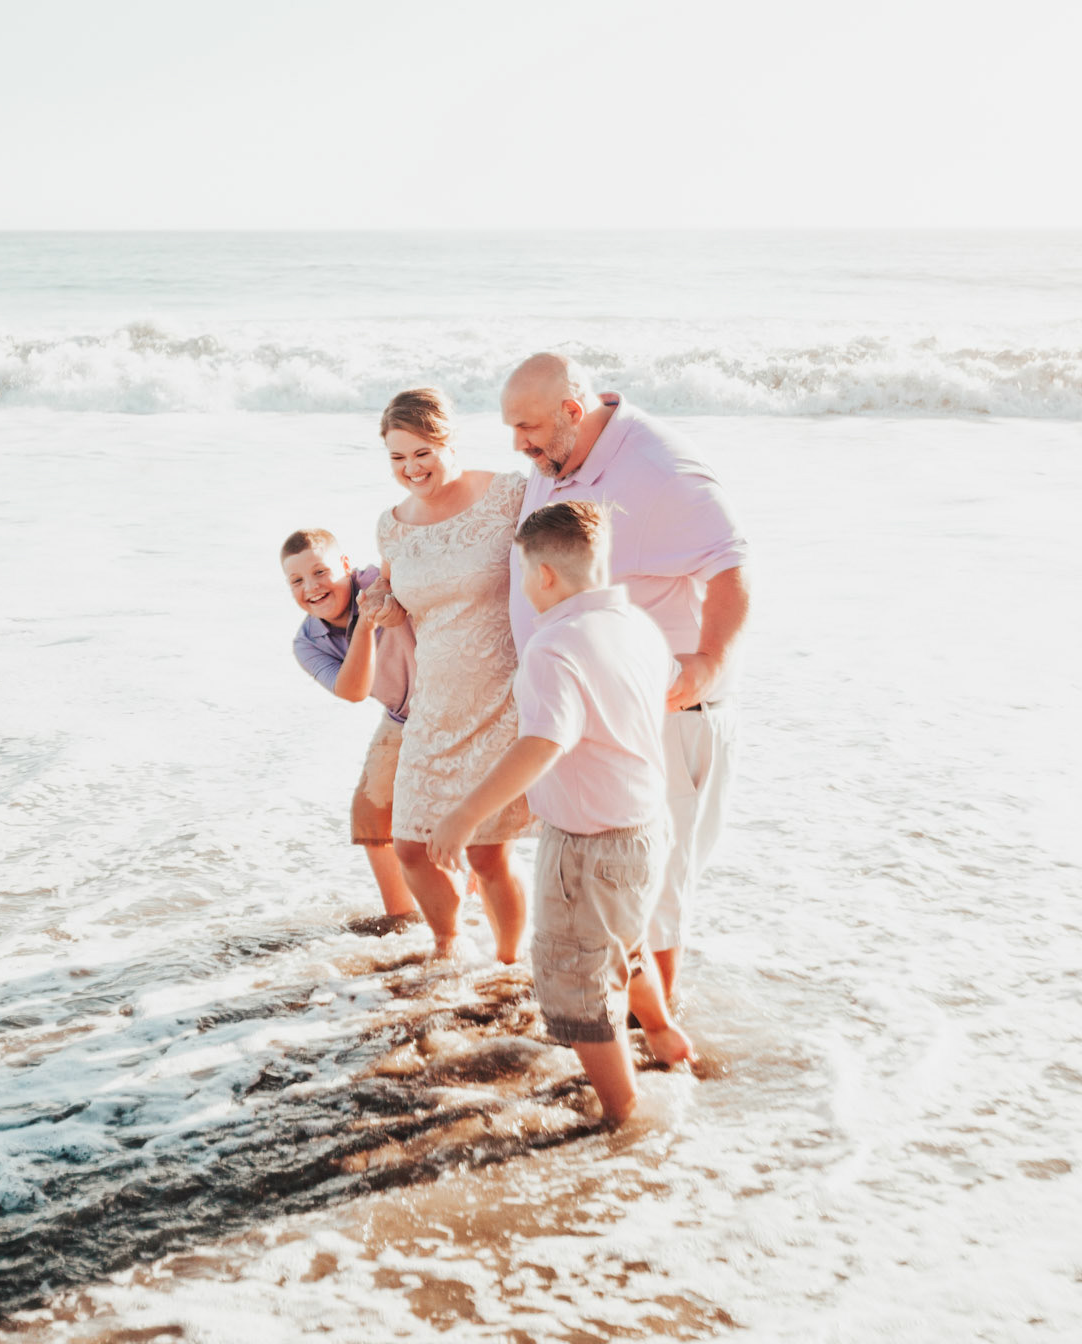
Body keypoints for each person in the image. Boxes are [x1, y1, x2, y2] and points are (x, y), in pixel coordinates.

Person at [427, 499, 692, 1123]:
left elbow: (545, 741)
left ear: (543, 574)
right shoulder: (638, 627)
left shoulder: (554, 646)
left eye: (524, 573)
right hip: (646, 828)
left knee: (578, 984)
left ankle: (624, 1118)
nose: (525, 585)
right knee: (622, 945)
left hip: (590, 845)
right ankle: (662, 1035)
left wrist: (464, 815)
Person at [500, 353, 751, 1003]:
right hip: (591, 718)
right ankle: (620, 1019)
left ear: (572, 412)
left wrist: (710, 662)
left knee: (656, 888)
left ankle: (654, 1034)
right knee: (603, 883)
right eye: (512, 428)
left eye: (527, 428)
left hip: (663, 714)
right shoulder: (557, 459)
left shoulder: (661, 471)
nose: (518, 444)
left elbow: (733, 566)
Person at [376, 387, 530, 961]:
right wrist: (383, 605)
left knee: (488, 852)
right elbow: (395, 596)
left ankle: (508, 962)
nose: (411, 468)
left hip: (501, 697)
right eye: (397, 457)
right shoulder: (392, 526)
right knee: (410, 847)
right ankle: (449, 946)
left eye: (422, 452)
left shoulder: (508, 494)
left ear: (449, 442)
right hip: (433, 707)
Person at [283, 527, 420, 920]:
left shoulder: (378, 582)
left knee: (447, 817)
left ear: (346, 565)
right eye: (296, 580)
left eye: (320, 572)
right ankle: (402, 918)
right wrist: (364, 627)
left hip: (451, 707)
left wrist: (384, 596)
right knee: (369, 813)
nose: (311, 587)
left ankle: (471, 905)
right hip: (401, 717)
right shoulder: (307, 642)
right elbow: (353, 691)